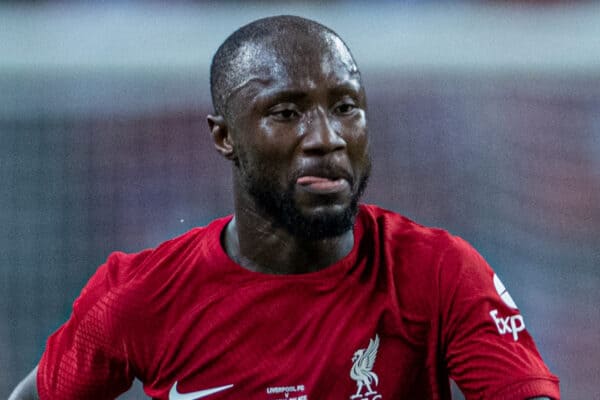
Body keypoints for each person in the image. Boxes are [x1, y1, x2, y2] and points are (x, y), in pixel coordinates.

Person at [10, 15, 559, 400]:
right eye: (287, 112)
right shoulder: (140, 296)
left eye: (346, 107)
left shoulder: (439, 273)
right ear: (224, 137)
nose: (327, 138)